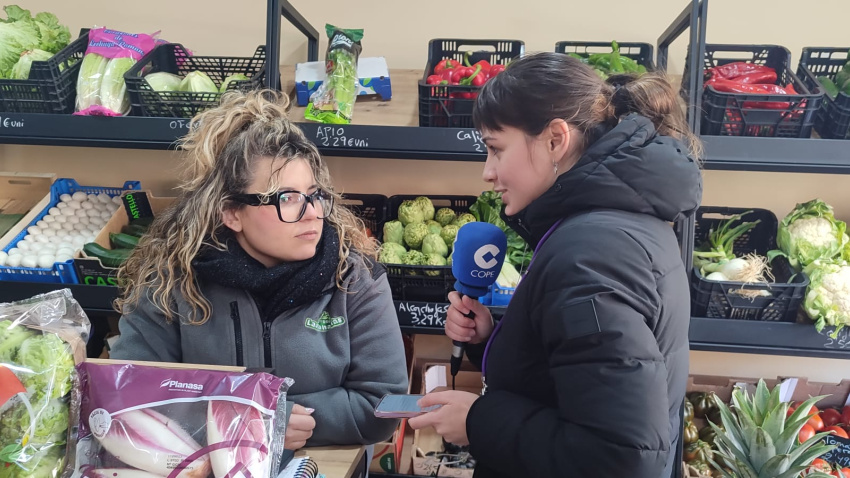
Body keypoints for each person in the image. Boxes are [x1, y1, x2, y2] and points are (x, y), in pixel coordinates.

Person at [408, 52, 702, 478]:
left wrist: (478, 421)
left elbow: (620, 458)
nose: (487, 172)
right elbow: (583, 379)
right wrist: (494, 337)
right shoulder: (614, 225)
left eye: (495, 149)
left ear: (555, 140)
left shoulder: (591, 254)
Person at [110, 89, 409, 452]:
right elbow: (132, 392)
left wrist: (288, 418)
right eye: (287, 199)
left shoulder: (355, 279)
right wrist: (244, 420)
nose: (312, 213)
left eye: (314, 195)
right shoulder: (173, 282)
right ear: (232, 212)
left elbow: (385, 403)